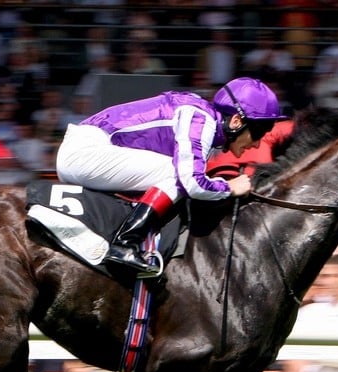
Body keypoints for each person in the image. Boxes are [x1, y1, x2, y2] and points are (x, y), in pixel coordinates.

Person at [55, 76, 286, 276]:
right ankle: (125, 244)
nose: (257, 143)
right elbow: (192, 183)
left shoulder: (203, 120)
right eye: (258, 132)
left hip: (89, 151)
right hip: (84, 153)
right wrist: (229, 187)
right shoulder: (200, 118)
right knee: (178, 175)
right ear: (236, 121)